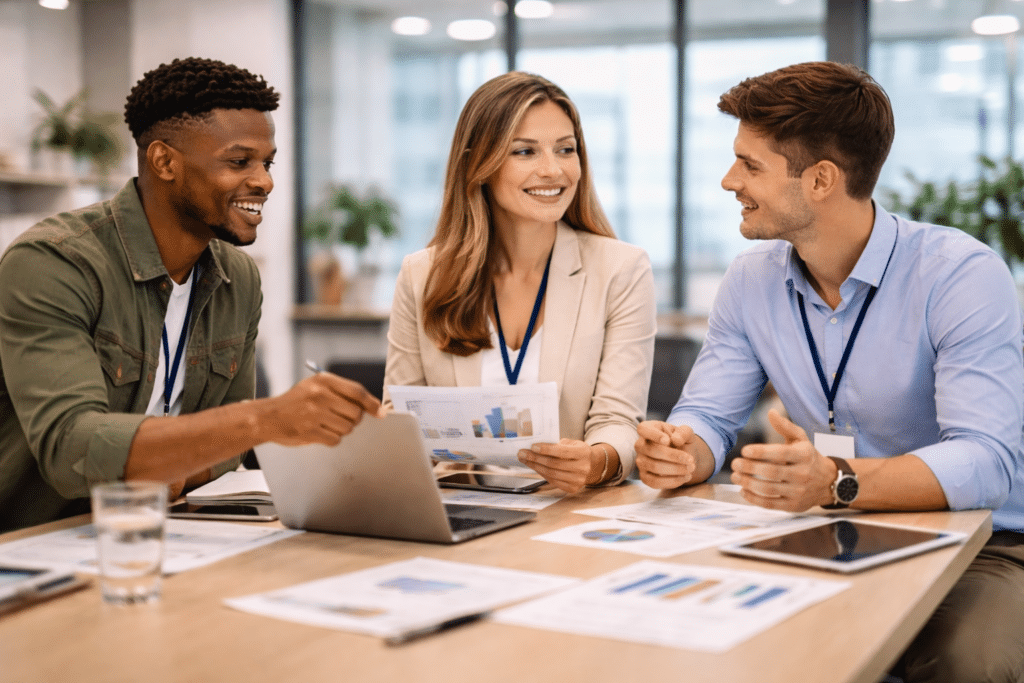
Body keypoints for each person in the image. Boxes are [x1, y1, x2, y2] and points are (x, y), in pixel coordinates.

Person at [635, 60, 1024, 683]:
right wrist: (685, 452)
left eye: (751, 164)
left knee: (968, 661)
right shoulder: (750, 281)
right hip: (828, 527)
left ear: (820, 180)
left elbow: (986, 462)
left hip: (982, 545)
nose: (730, 180)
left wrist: (837, 478)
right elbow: (707, 416)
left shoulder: (959, 273)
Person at [0, 57, 382, 533]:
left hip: (167, 530)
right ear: (165, 162)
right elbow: (71, 448)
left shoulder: (238, 279)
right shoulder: (54, 262)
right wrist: (261, 420)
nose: (264, 181)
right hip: (39, 545)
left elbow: (228, 452)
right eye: (239, 161)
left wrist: (183, 466)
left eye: (267, 162)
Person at [383, 71, 656, 493]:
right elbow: (401, 418)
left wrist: (596, 461)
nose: (553, 170)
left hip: (568, 510)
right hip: (461, 505)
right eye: (525, 151)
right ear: (479, 164)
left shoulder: (621, 269)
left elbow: (617, 421)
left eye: (566, 150)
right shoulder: (422, 275)